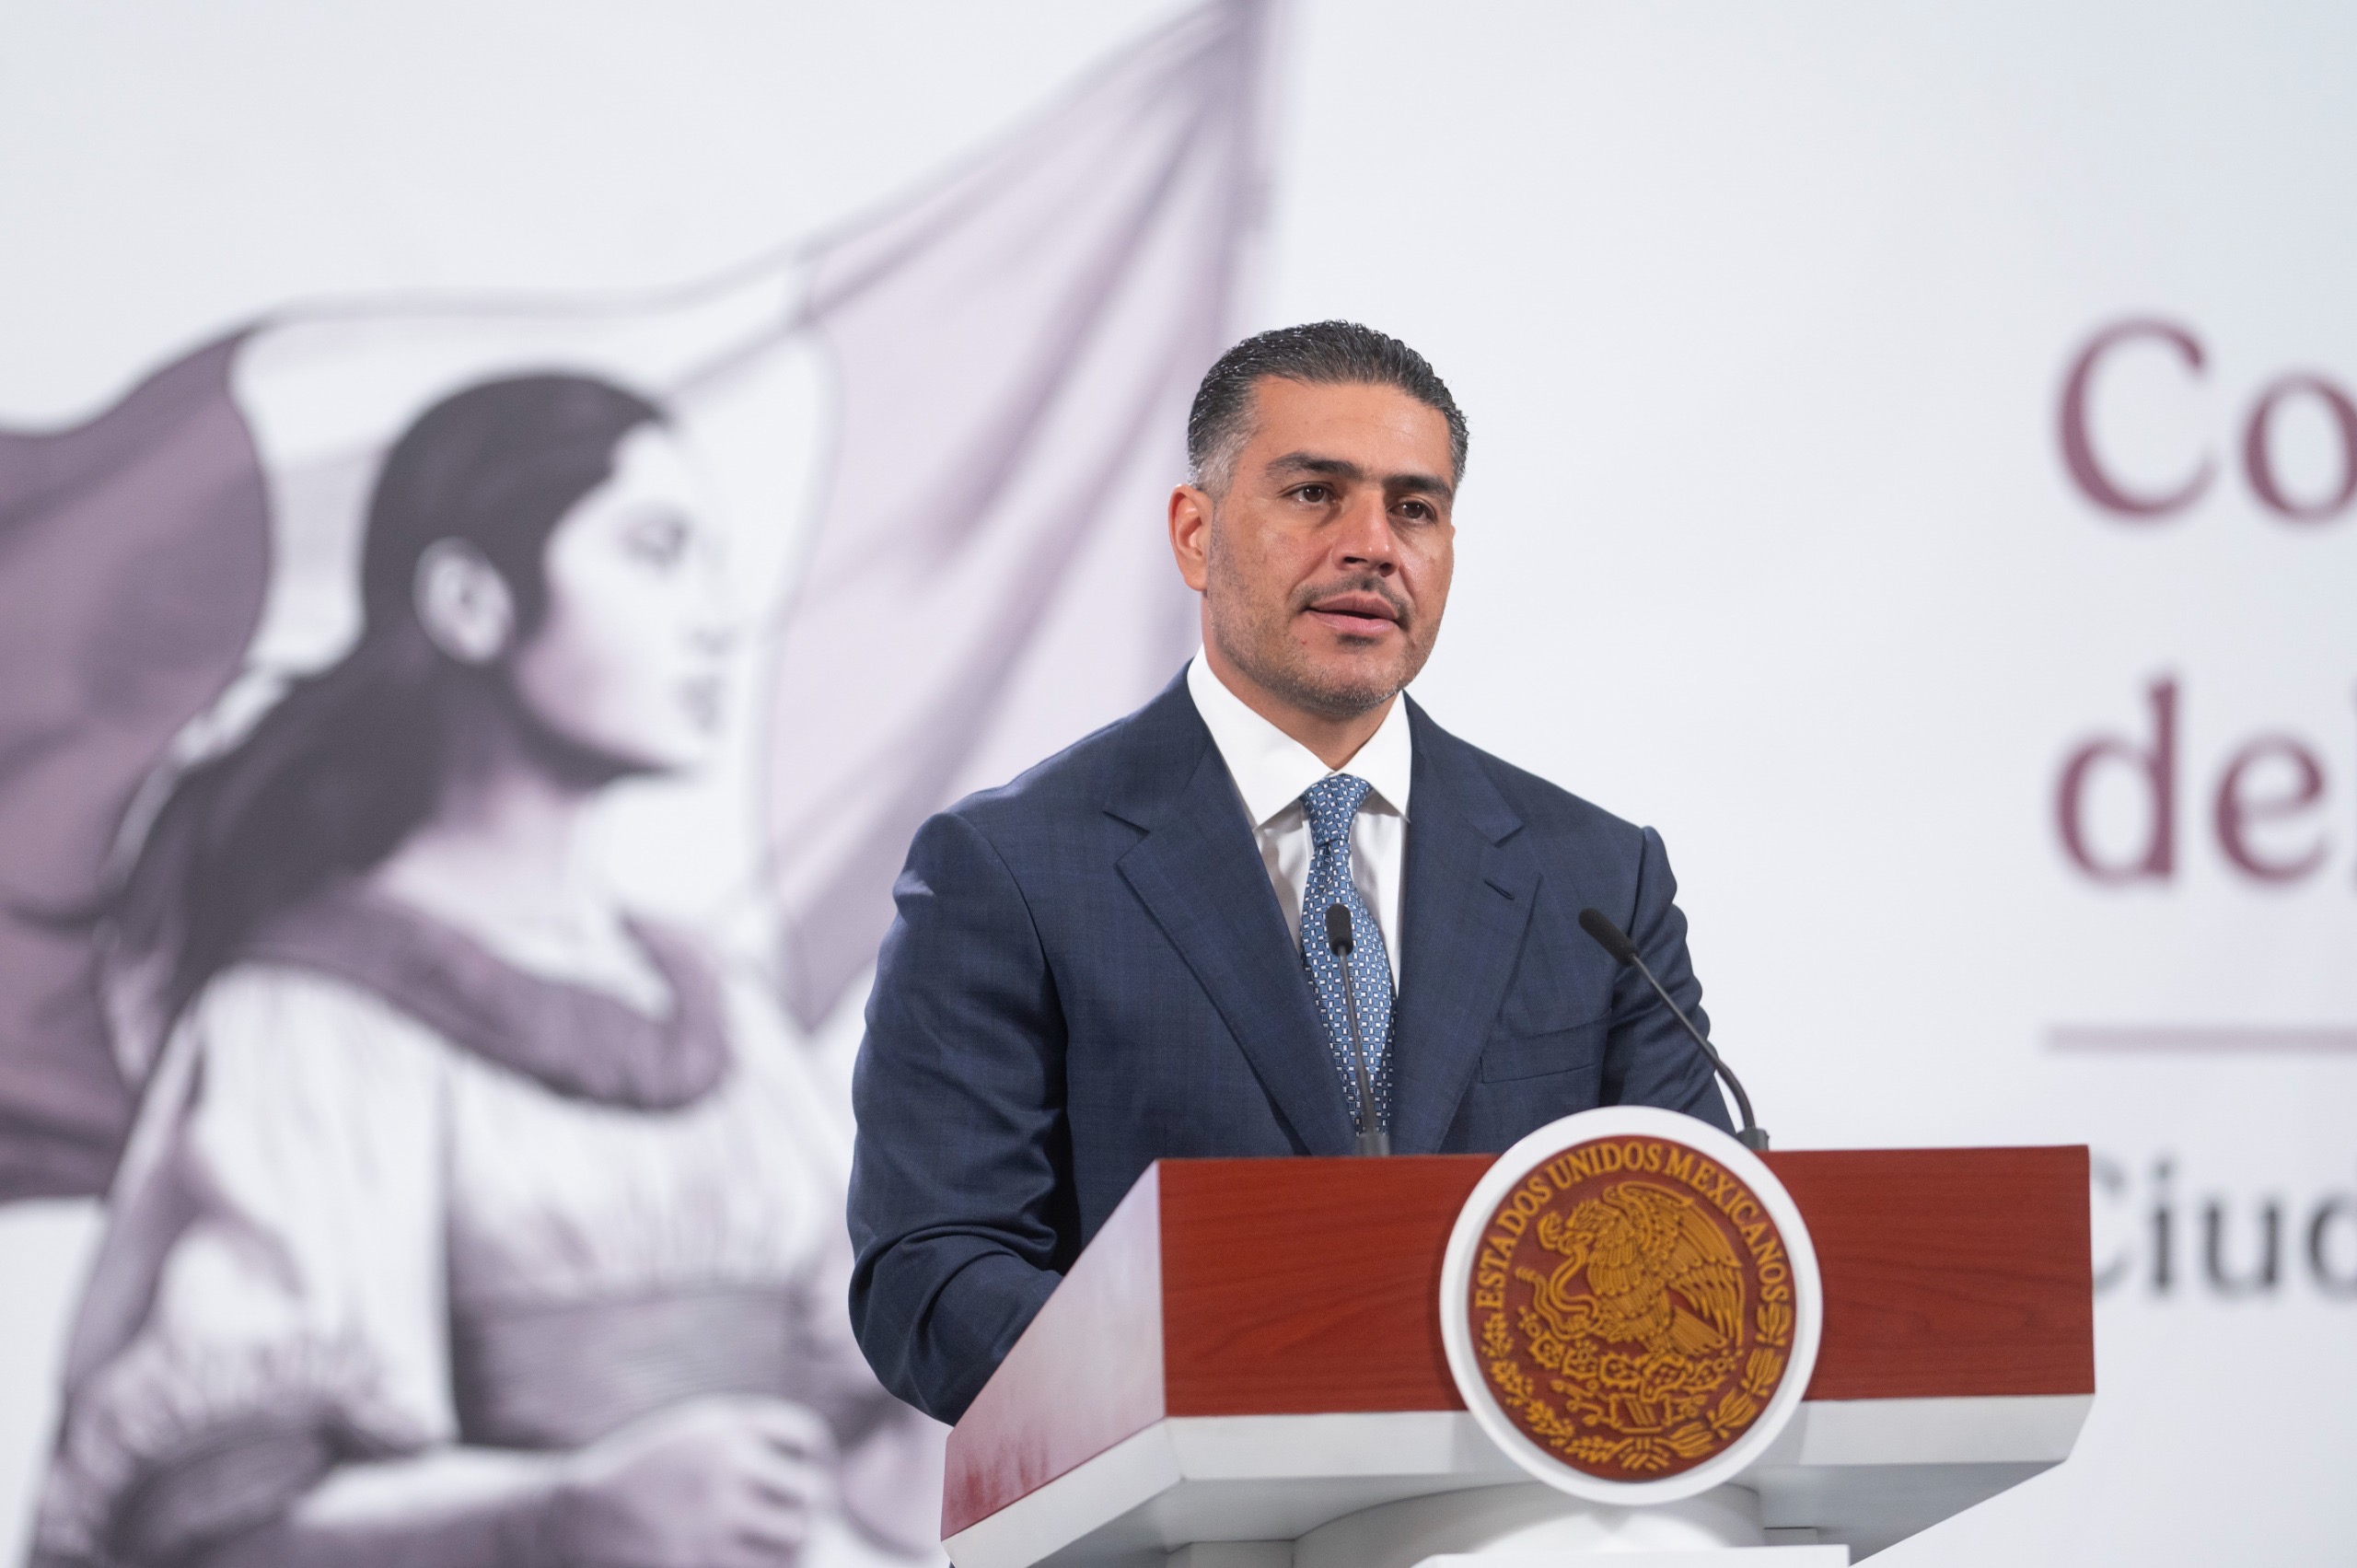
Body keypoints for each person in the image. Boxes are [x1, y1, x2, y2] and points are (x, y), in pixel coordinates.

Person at [35, 375, 937, 1568]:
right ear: (470, 601)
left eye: (713, 563)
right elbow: (214, 1522)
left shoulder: (723, 1013)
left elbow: (882, 1434)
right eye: (656, 551)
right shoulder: (309, 1020)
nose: (716, 618)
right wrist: (553, 1512)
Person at [847, 320, 1736, 1425]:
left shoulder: (1597, 876)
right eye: (1315, 494)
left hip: (1518, 1502)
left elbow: (1701, 1239)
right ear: (1194, 534)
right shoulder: (1012, 868)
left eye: (1414, 508)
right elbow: (932, 1278)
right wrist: (1248, 1375)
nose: (1372, 545)